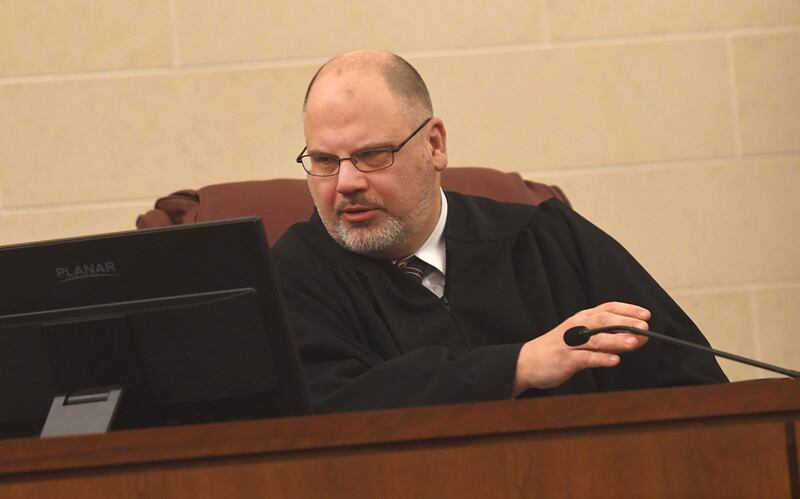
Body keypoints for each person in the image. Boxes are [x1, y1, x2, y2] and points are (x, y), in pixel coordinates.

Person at [272, 50, 727, 413]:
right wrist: (519, 366)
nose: (347, 182)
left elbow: (689, 381)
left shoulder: (545, 238)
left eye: (372, 155)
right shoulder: (289, 277)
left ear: (434, 145)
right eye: (326, 161)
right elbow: (326, 413)